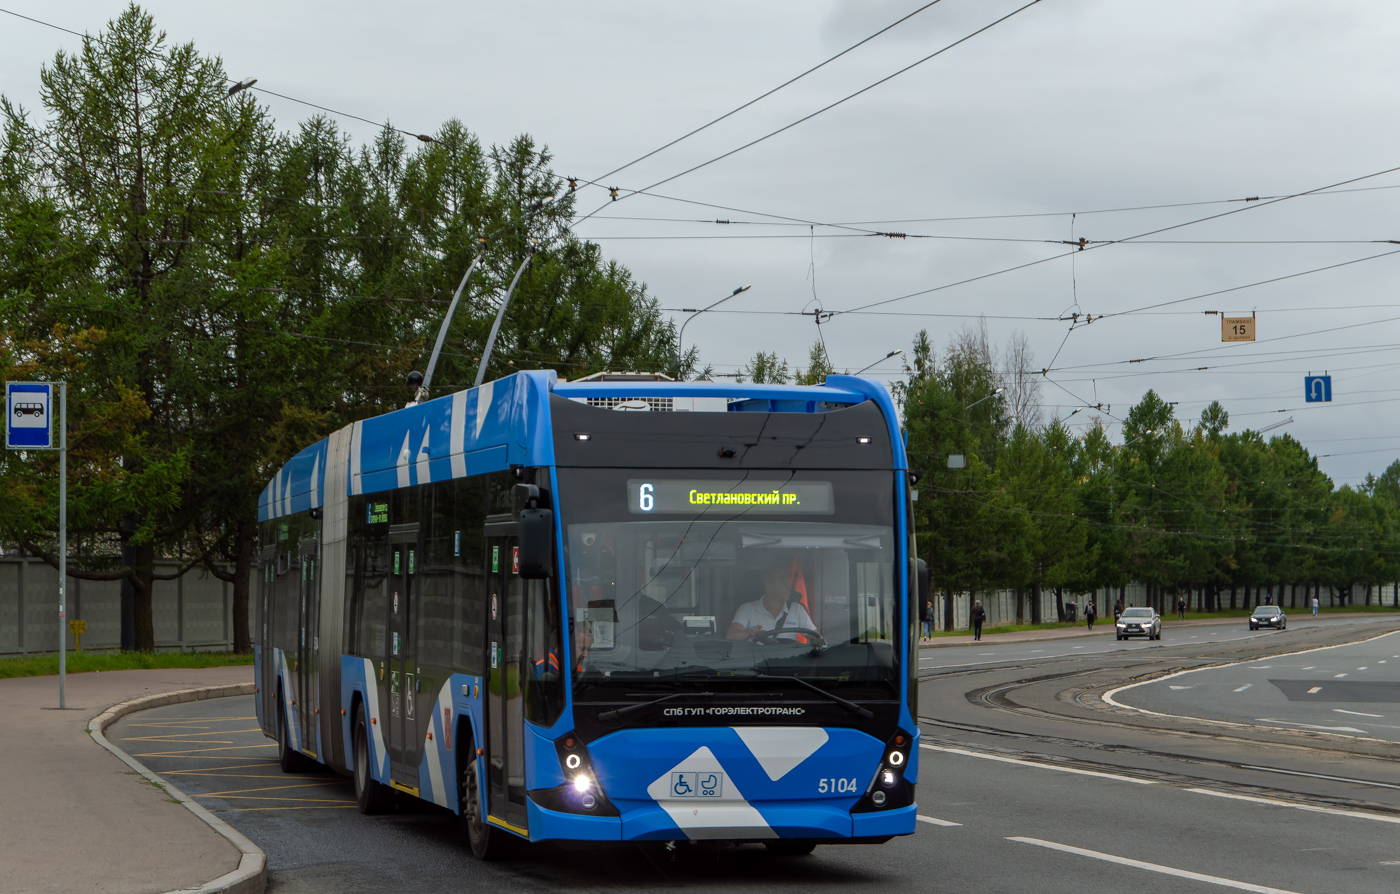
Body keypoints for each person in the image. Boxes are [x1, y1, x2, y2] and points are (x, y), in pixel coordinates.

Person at [727, 563, 818, 641]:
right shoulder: (747, 609)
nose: (788, 587)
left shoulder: (797, 609)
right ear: (768, 585)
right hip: (757, 660)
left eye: (788, 583)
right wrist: (749, 633)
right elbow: (731, 636)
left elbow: (817, 638)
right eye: (783, 582)